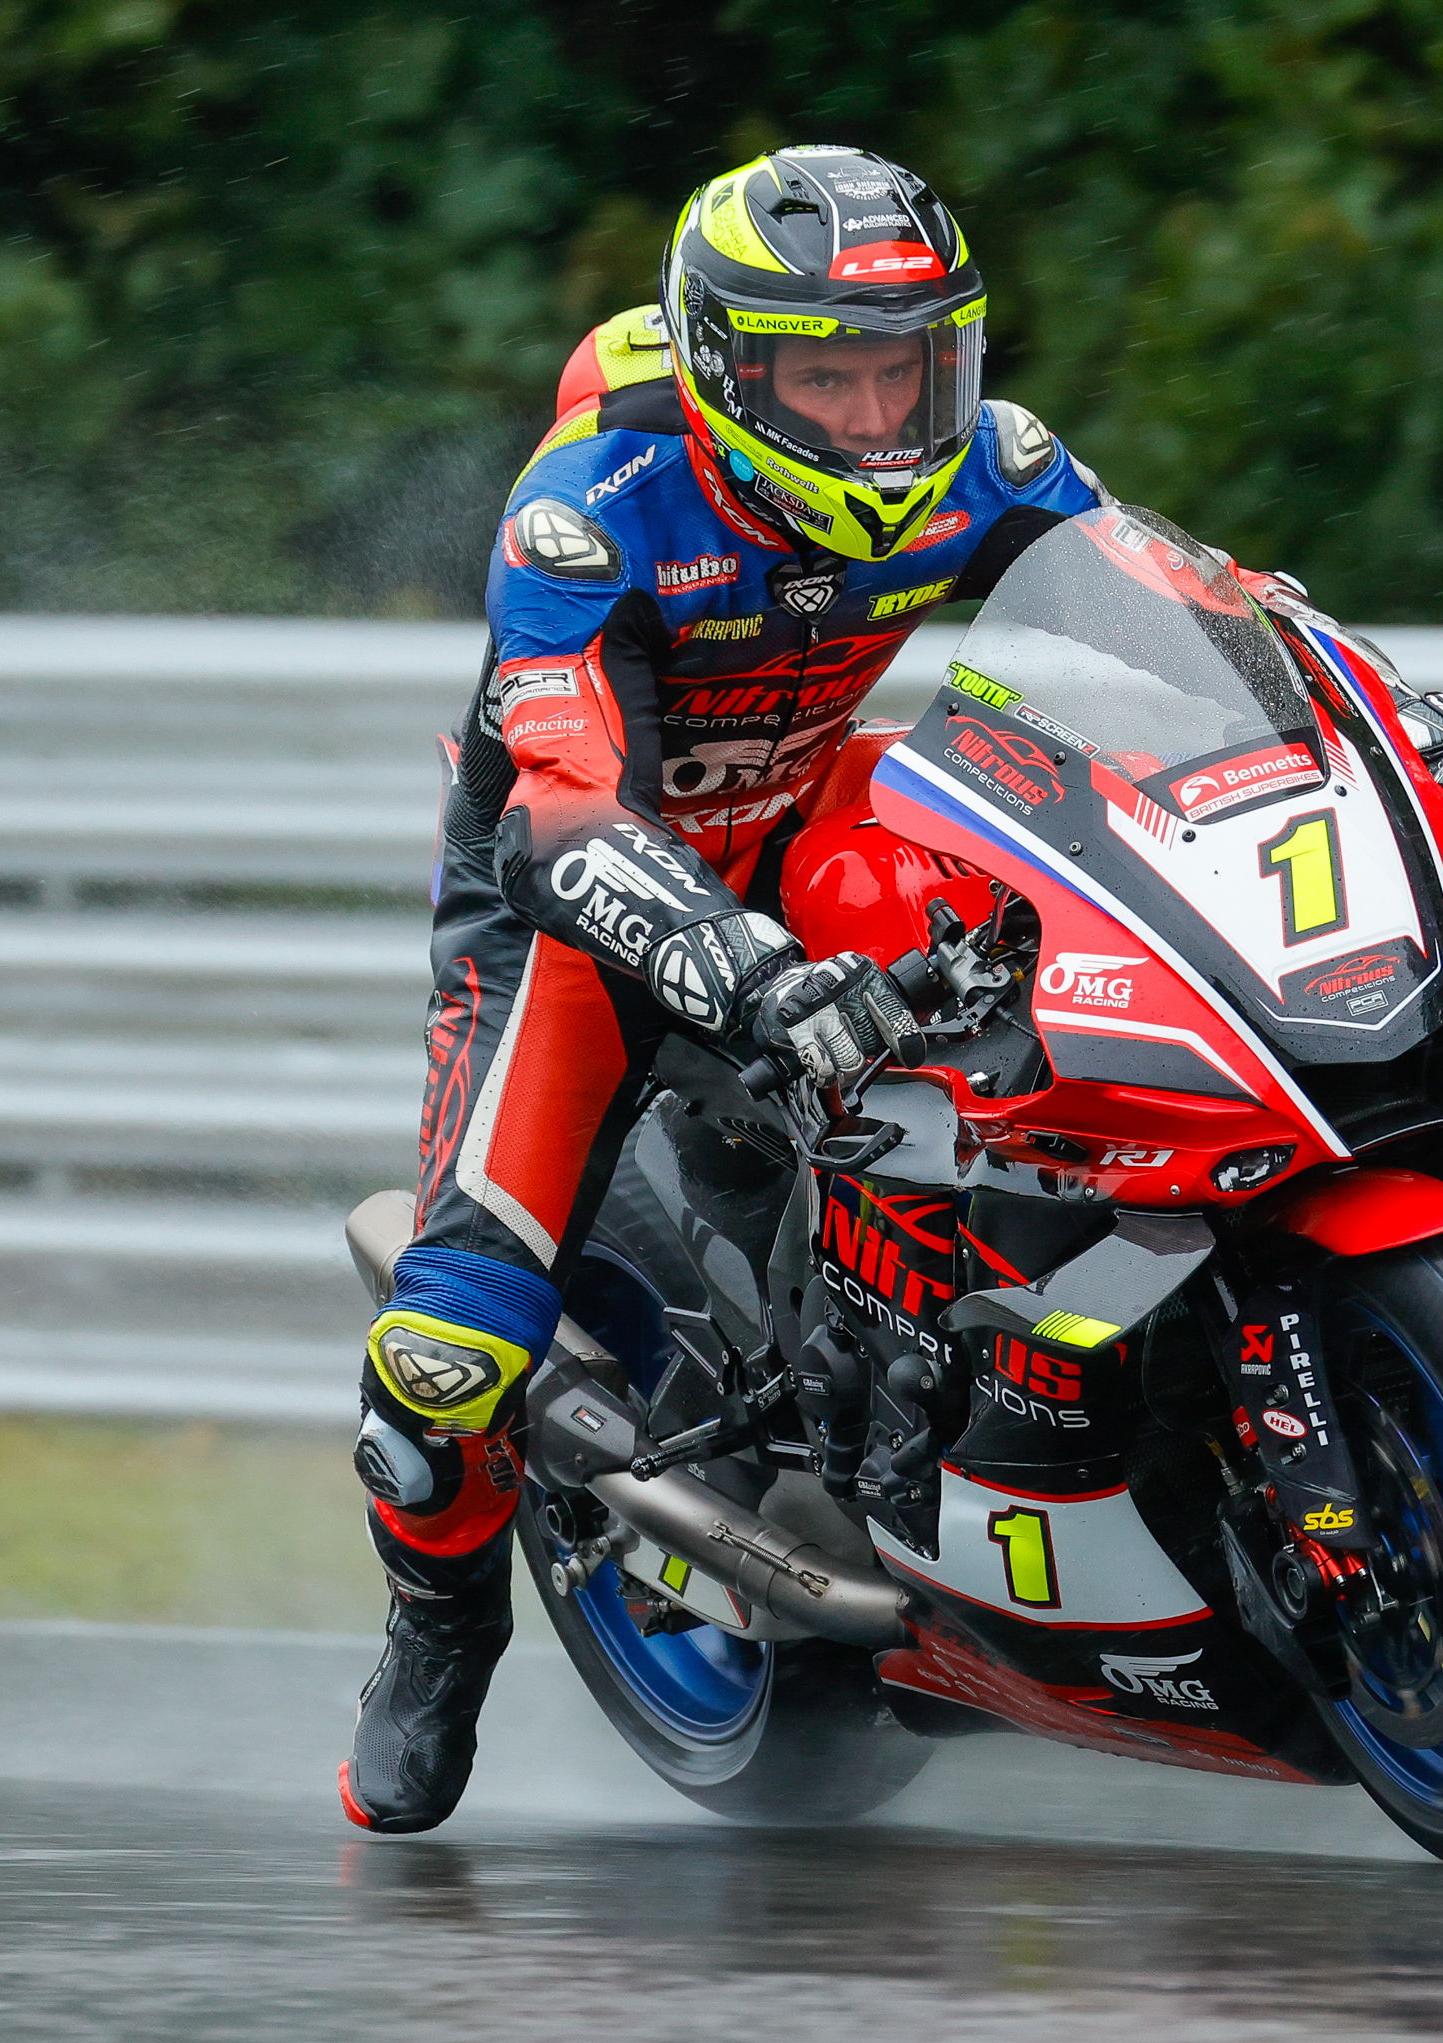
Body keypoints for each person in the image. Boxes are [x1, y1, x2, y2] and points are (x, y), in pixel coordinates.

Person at [335, 145, 1114, 1832]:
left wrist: (1380, 734)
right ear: (725, 368)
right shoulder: (591, 501)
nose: (874, 416)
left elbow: (1191, 610)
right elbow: (555, 796)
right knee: (448, 1356)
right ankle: (436, 1620)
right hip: (580, 898)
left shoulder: (998, 462)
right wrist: (726, 960)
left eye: (903, 368)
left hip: (817, 812)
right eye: (824, 375)